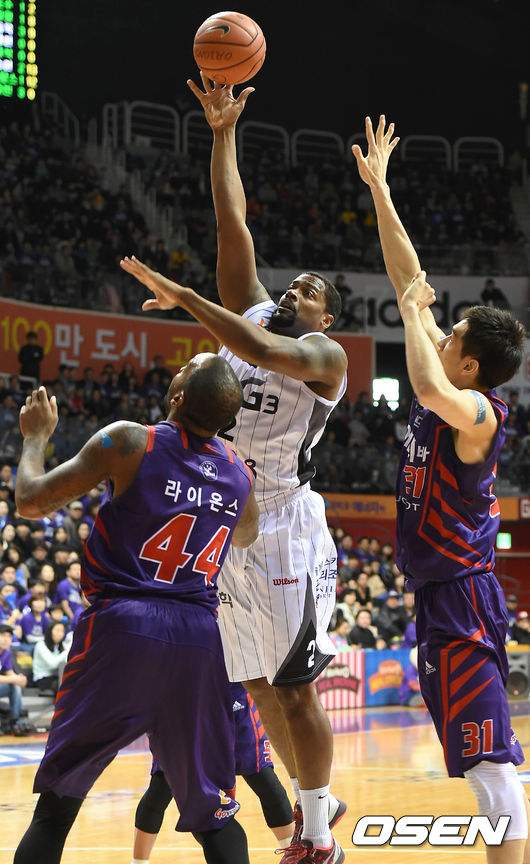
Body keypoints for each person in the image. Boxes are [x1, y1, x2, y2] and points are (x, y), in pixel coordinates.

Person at [120, 73, 349, 864]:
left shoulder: (323, 357)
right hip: (228, 522)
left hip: (285, 525)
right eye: (293, 284)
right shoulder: (252, 312)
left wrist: (185, 296)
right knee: (252, 683)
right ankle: (320, 796)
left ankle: (316, 833)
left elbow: (254, 348)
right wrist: (223, 134)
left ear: (328, 318)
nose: (294, 291)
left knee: (294, 686)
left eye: (310, 293)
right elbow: (232, 219)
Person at [353, 114, 529, 863]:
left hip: (462, 594)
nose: (441, 332)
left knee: (491, 767)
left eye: (452, 335)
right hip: (438, 595)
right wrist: (381, 190)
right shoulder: (452, 377)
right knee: (477, 764)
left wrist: (411, 313)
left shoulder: (478, 412)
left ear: (470, 365)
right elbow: (407, 279)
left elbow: (424, 378)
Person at [13, 355, 259, 864]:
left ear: (178, 396)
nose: (180, 367)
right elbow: (247, 533)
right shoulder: (238, 471)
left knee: (57, 807)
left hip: (123, 628)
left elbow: (31, 502)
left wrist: (36, 438)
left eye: (186, 366)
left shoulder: (131, 441)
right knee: (215, 816)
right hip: (198, 639)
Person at [131, 681, 294, 863]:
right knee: (162, 785)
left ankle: (294, 853)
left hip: (234, 696)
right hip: (182, 698)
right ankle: (138, 861)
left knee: (263, 779)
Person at [0, 622, 27, 731]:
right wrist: (13, 679)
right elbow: (10, 678)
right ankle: (17, 721)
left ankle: (17, 722)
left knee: (16, 685)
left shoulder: (6, 651)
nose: (6, 639)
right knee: (14, 683)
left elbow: (9, 672)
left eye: (9, 636)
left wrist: (19, 678)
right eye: (3, 635)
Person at [31, 620, 69, 694]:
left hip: (58, 675)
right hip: (42, 678)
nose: (60, 634)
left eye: (62, 631)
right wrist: (66, 652)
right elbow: (52, 664)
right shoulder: (41, 645)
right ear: (50, 631)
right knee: (62, 685)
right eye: (57, 630)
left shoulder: (62, 646)